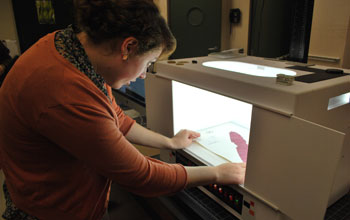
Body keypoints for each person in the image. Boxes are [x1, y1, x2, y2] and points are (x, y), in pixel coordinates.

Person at [0, 0, 246, 219]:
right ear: (128, 47)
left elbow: (114, 115)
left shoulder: (71, 50)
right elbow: (141, 176)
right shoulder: (67, 91)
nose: (142, 75)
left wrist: (169, 143)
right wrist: (217, 173)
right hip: (53, 211)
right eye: (148, 63)